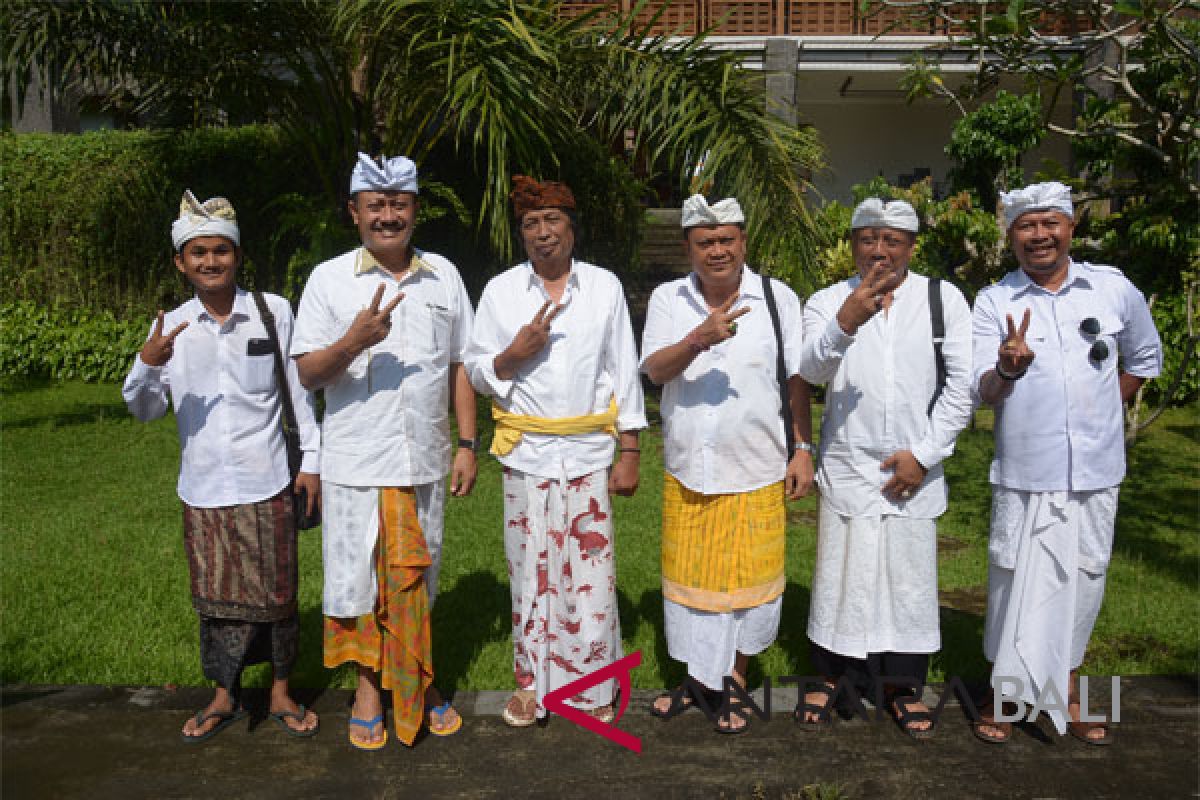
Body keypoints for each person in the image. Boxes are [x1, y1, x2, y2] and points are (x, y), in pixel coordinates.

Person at [290, 154, 477, 749]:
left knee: (416, 582)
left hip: (422, 460)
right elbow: (309, 375)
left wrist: (468, 444)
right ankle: (371, 687)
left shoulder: (443, 275)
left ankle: (419, 682)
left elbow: (460, 368)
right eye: (376, 205)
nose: (388, 216)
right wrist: (354, 340)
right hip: (357, 466)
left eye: (399, 205)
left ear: (415, 210)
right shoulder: (328, 279)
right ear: (354, 212)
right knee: (360, 583)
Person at [123, 191, 321, 743]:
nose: (210, 262)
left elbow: (300, 394)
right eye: (198, 254)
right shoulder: (171, 330)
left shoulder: (272, 311)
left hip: (270, 479)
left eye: (220, 251)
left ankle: (281, 691)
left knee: (279, 594)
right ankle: (224, 694)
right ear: (180, 263)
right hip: (204, 487)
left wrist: (313, 463)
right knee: (214, 599)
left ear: (236, 255)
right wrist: (147, 364)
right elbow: (143, 411)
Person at [971, 181, 1161, 745]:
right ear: (1011, 236)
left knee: (1083, 580)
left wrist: (1102, 409)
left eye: (1049, 223)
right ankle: (1000, 696)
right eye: (1026, 226)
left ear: (1071, 227)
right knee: (1011, 582)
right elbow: (983, 391)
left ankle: (1067, 693)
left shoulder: (1111, 289)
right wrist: (1008, 368)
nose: (1039, 235)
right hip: (1025, 472)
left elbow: (1145, 358)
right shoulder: (994, 301)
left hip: (1096, 473)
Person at [465, 176, 646, 728]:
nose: (543, 234)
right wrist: (510, 356)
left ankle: (590, 688)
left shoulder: (604, 288)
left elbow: (623, 368)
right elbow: (473, 369)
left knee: (590, 574)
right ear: (520, 233)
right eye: (530, 224)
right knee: (530, 574)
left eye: (553, 221)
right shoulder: (501, 293)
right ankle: (531, 684)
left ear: (572, 227)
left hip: (589, 452)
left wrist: (630, 448)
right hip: (526, 455)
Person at [798, 198, 973, 738]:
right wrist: (845, 322)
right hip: (849, 465)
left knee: (906, 578)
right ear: (853, 245)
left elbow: (961, 388)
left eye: (891, 240)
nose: (879, 250)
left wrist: (923, 456)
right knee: (839, 574)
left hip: (912, 469)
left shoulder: (942, 300)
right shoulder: (828, 300)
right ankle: (831, 677)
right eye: (868, 239)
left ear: (911, 246)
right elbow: (808, 371)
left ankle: (900, 686)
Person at [640, 194, 815, 734]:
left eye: (726, 240)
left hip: (757, 464)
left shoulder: (777, 298)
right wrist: (697, 339)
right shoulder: (669, 298)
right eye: (704, 242)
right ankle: (698, 680)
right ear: (688, 247)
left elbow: (795, 379)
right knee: (694, 582)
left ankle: (734, 681)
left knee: (745, 582)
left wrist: (803, 449)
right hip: (691, 467)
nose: (717, 250)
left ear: (743, 242)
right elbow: (654, 371)